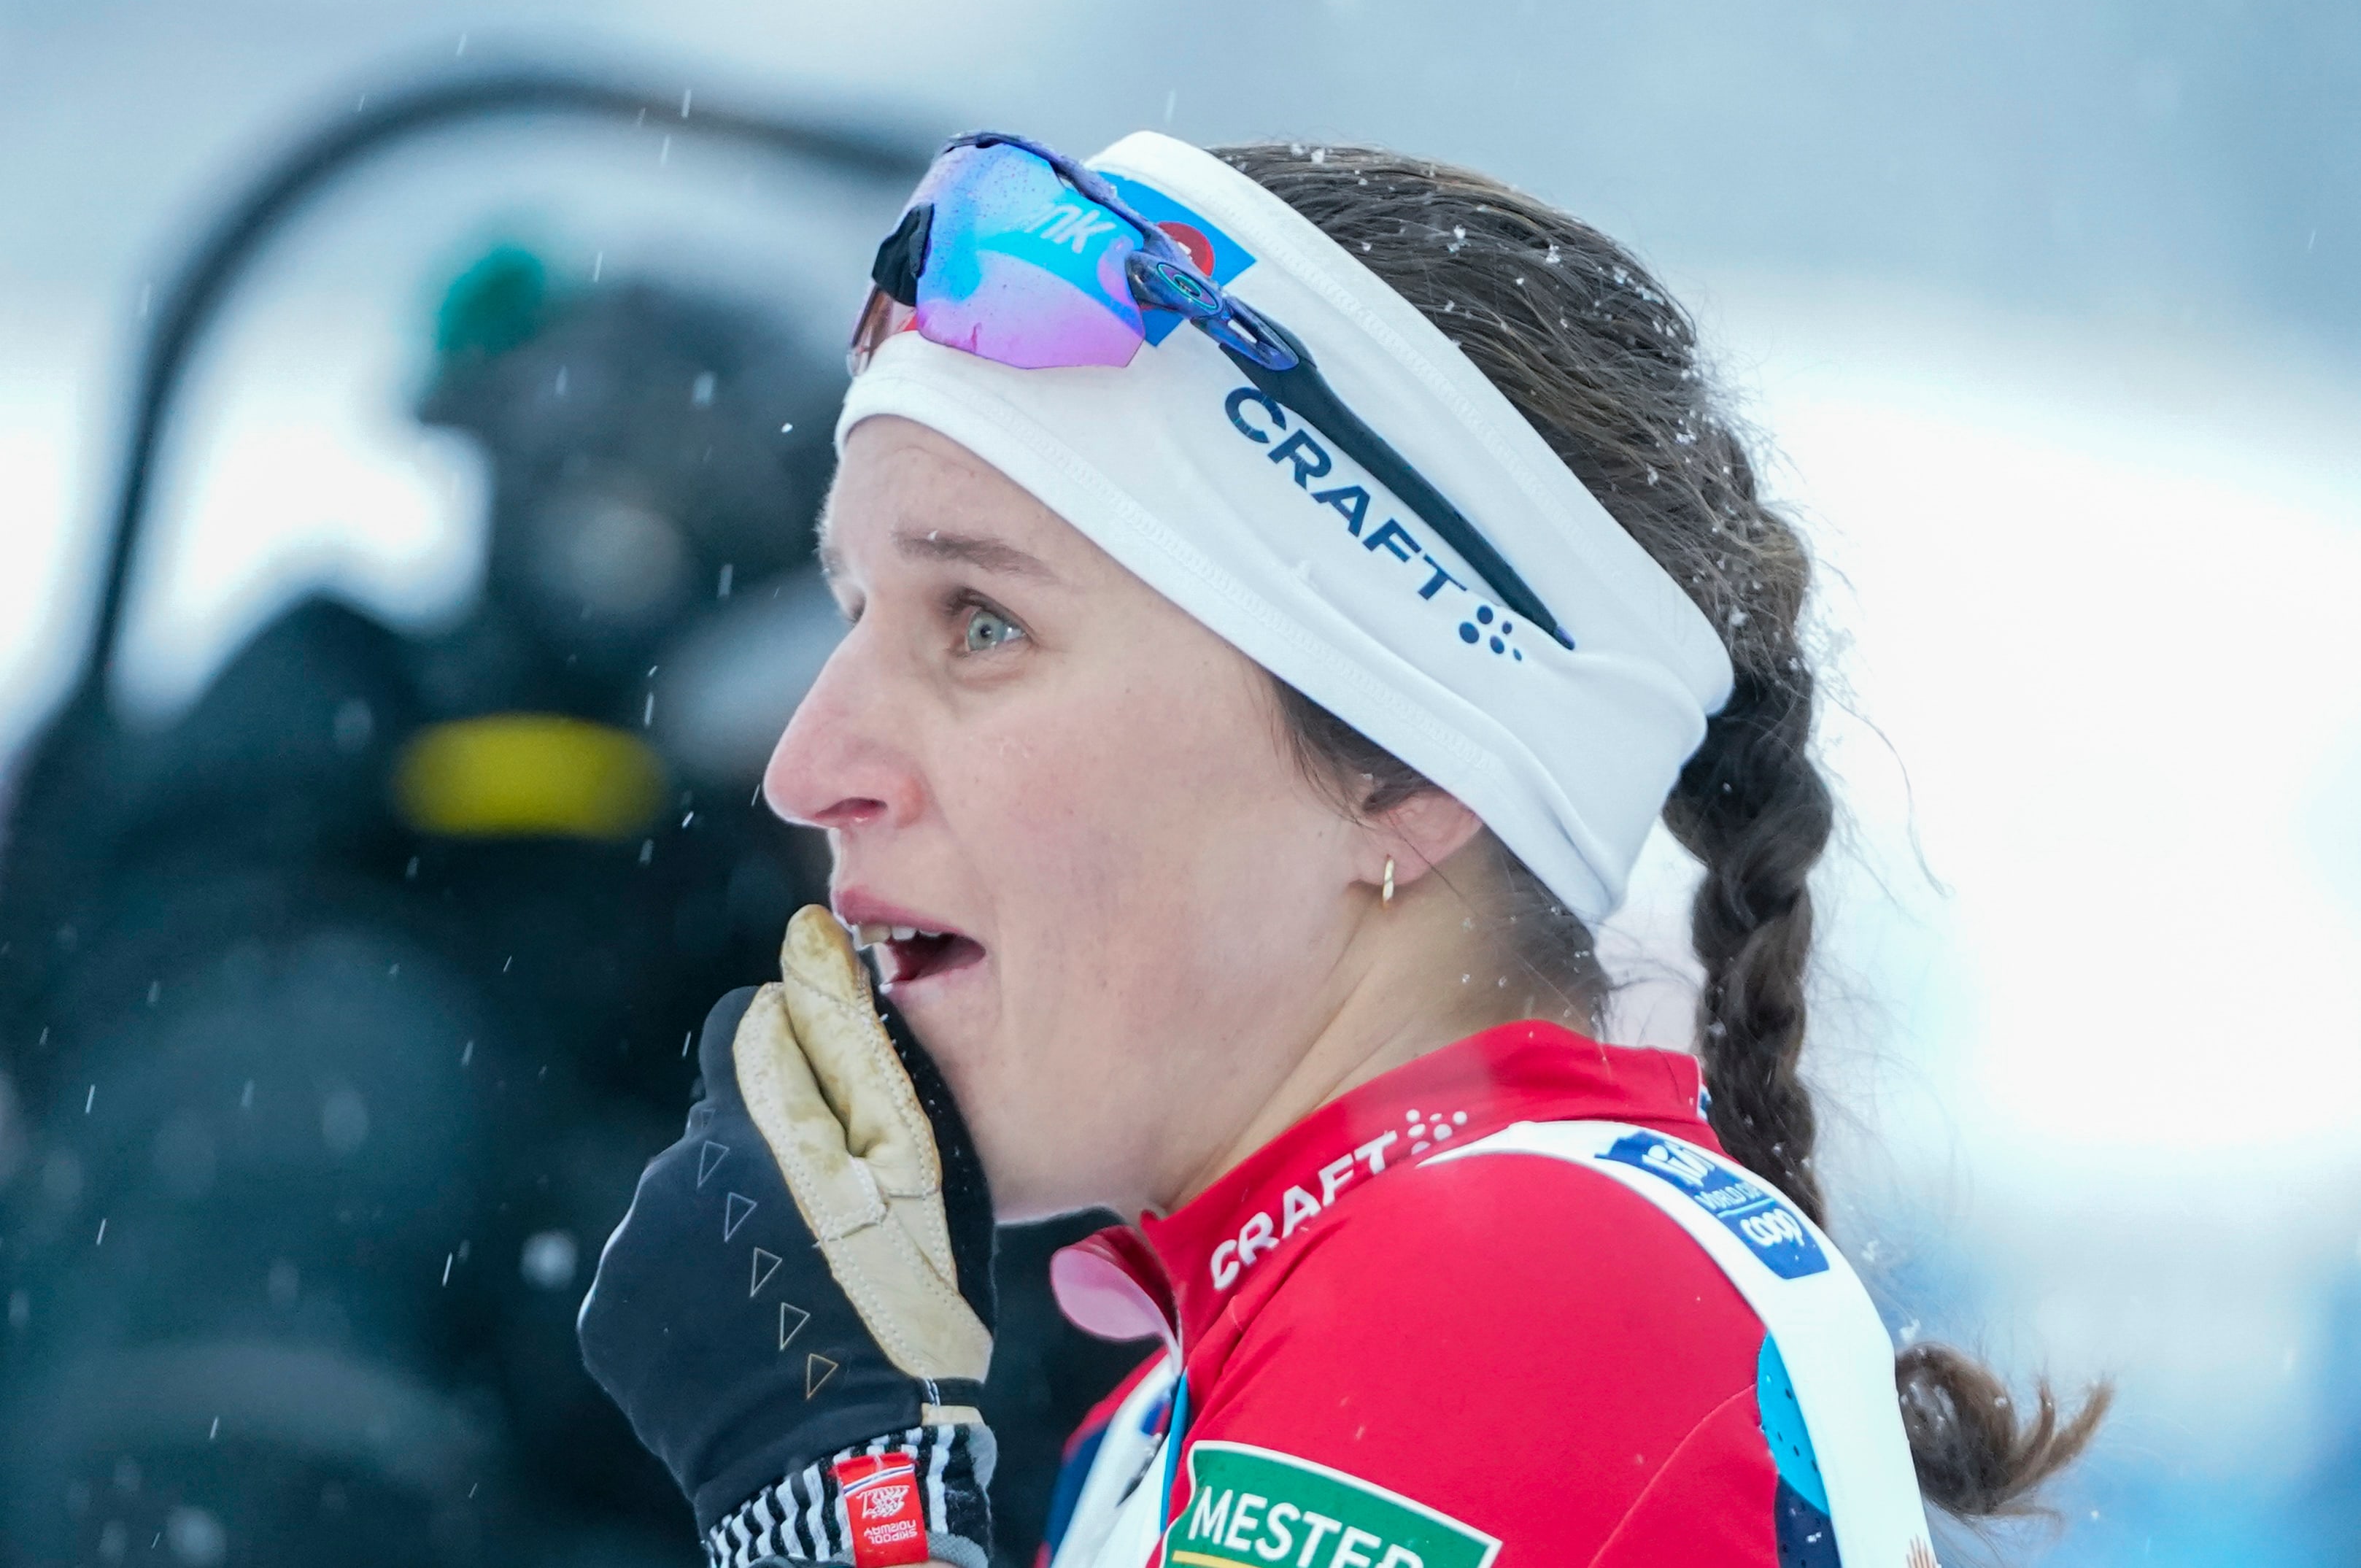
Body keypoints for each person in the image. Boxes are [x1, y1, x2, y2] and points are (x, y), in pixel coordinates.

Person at [573, 131, 2106, 1568]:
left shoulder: (1523, 1287)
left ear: (1407, 769)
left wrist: (830, 1489)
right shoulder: (1212, 1383)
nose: (805, 768)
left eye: (983, 623)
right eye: (851, 612)